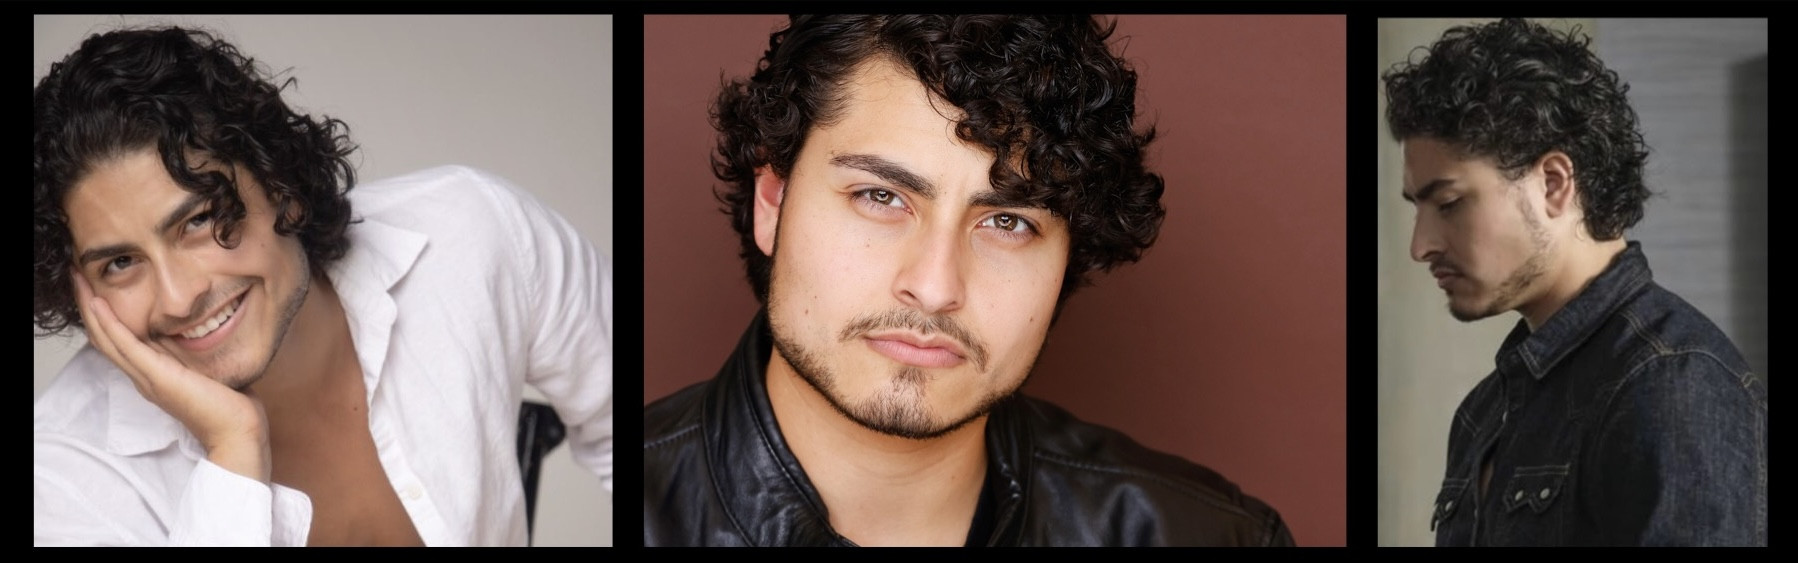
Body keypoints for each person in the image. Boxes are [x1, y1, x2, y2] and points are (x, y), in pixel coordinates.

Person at [642, 14, 1291, 547]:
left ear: (1070, 255)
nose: (934, 286)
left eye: (1007, 220)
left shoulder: (1206, 536)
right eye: (880, 196)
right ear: (772, 202)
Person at [32, 27, 614, 546]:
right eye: (121, 264)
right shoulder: (65, 476)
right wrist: (234, 449)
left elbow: (643, 441)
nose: (180, 297)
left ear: (279, 182)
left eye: (200, 220)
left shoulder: (472, 236)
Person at [1383, 18, 1766, 546]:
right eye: (1418, 208)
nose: (1420, 245)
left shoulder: (1671, 382)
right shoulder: (1483, 412)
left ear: (1554, 184)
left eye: (1449, 203)